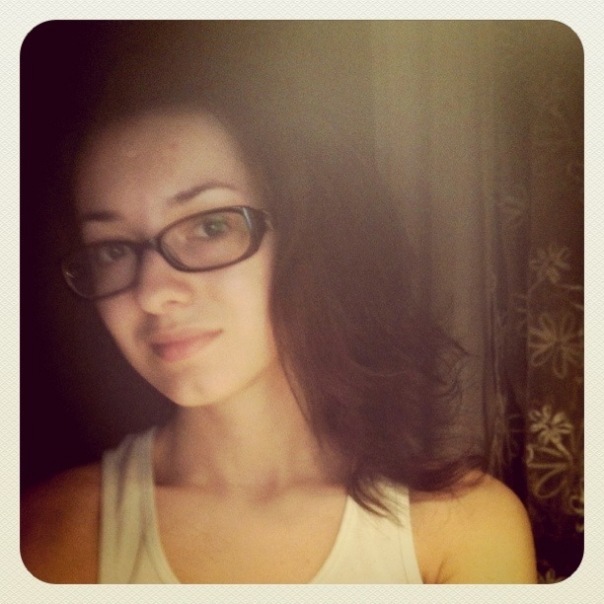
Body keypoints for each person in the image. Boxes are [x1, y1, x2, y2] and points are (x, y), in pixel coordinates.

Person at [20, 87, 537, 584]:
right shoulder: (51, 533)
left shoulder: (462, 528)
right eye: (112, 249)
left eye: (210, 227)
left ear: (310, 241)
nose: (153, 293)